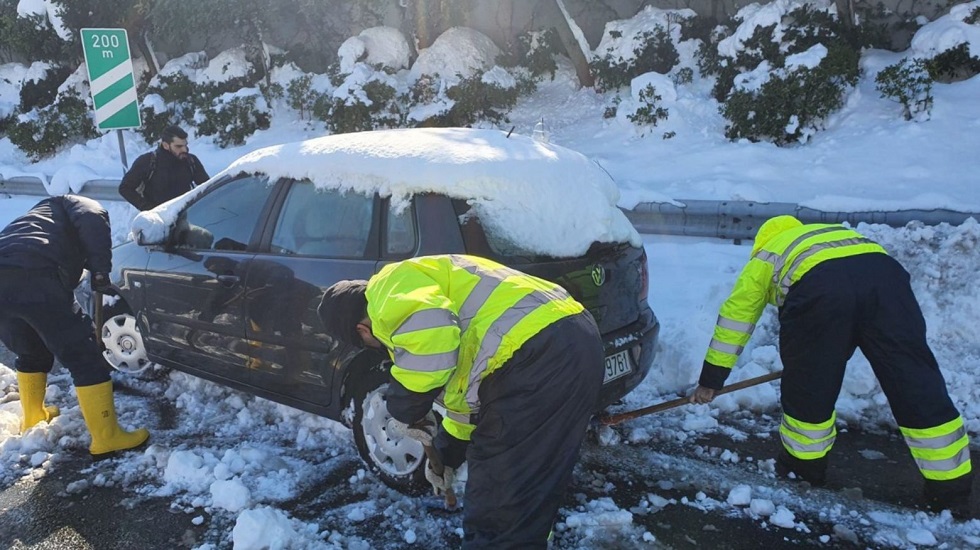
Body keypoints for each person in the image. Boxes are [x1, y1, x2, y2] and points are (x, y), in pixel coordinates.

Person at [317, 254, 604, 548]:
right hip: (571, 342)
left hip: (536, 356)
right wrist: (448, 455)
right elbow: (466, 397)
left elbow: (433, 342)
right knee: (525, 493)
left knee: (496, 508)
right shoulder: (428, 284)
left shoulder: (389, 289)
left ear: (361, 331)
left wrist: (404, 406)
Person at [690, 215, 972, 510]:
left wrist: (711, 380)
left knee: (810, 387)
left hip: (820, 290)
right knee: (914, 380)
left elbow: (736, 319)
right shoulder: (834, 235)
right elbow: (858, 282)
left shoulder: (767, 254)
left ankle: (803, 470)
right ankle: (951, 489)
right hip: (886, 281)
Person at [0, 195, 150, 459]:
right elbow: (93, 225)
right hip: (35, 275)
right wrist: (101, 272)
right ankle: (107, 437)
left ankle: (33, 417)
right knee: (85, 355)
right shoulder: (86, 206)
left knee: (30, 349)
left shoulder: (37, 216)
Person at [119, 125, 209, 211]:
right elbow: (125, 188)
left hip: (185, 217)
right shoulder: (148, 161)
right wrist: (148, 208)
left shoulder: (191, 161)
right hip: (157, 220)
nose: (184, 150)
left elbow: (207, 187)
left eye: (185, 145)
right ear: (166, 145)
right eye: (179, 146)